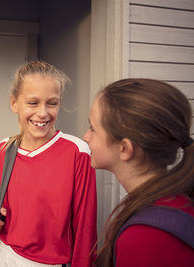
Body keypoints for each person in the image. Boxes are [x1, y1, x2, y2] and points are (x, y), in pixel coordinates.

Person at [0, 60, 97, 267]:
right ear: (14, 103)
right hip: (4, 253)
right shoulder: (3, 149)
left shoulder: (78, 152)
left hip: (51, 262)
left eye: (52, 103)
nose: (43, 113)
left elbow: (85, 226)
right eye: (33, 103)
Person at [83, 78, 194, 267]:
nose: (86, 136)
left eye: (93, 128)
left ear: (124, 148)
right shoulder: (172, 202)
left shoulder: (146, 237)